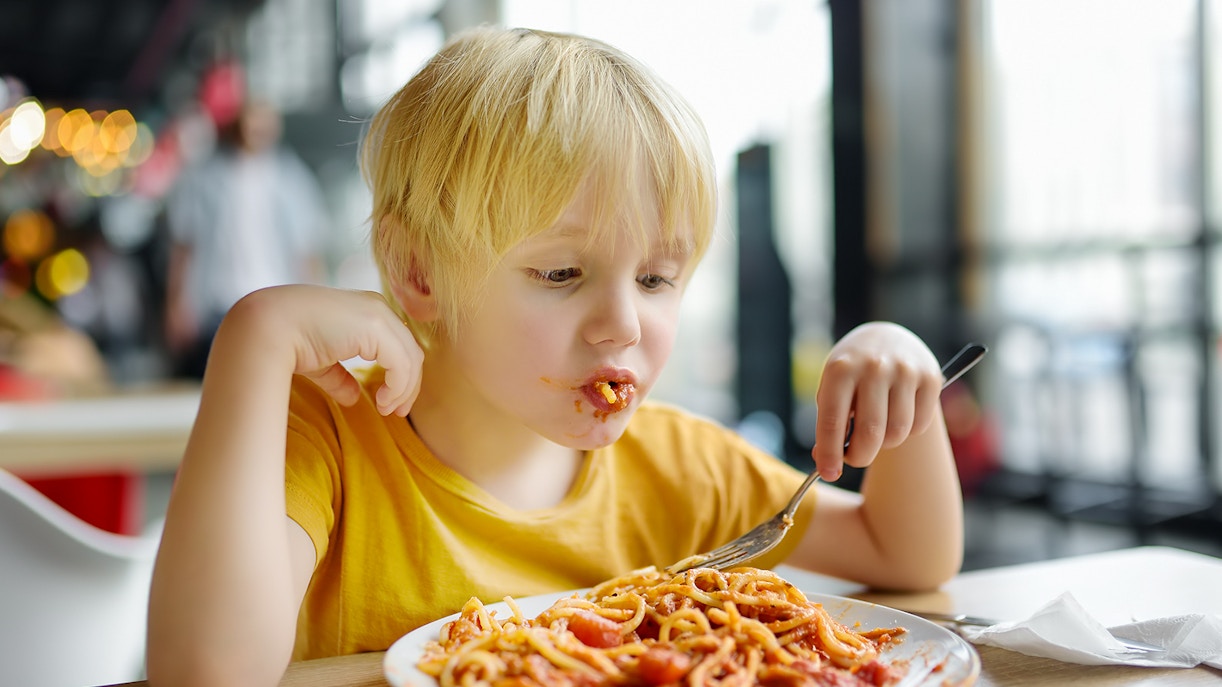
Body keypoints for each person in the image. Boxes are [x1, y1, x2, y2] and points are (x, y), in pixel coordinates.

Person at [146, 26, 963, 687]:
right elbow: (206, 671)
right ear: (419, 271)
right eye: (562, 273)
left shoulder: (678, 465)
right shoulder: (329, 438)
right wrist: (255, 341)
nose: (622, 325)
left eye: (656, 277)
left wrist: (900, 366)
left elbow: (908, 553)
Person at [163, 98, 328, 379]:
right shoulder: (204, 176)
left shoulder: (291, 178)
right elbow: (185, 245)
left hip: (275, 295)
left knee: (269, 379)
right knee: (217, 379)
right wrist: (178, 302)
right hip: (217, 300)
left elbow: (306, 249)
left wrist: (317, 305)